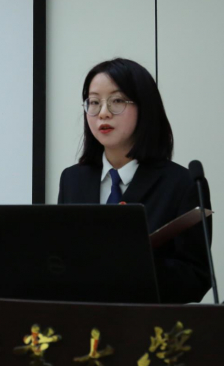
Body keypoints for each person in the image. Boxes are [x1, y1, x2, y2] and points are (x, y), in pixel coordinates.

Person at [57, 58, 212, 303]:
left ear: (145, 107)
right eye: (94, 102)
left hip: (147, 322)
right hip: (84, 320)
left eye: (117, 101)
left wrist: (136, 263)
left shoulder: (182, 184)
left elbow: (196, 278)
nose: (103, 112)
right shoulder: (72, 179)